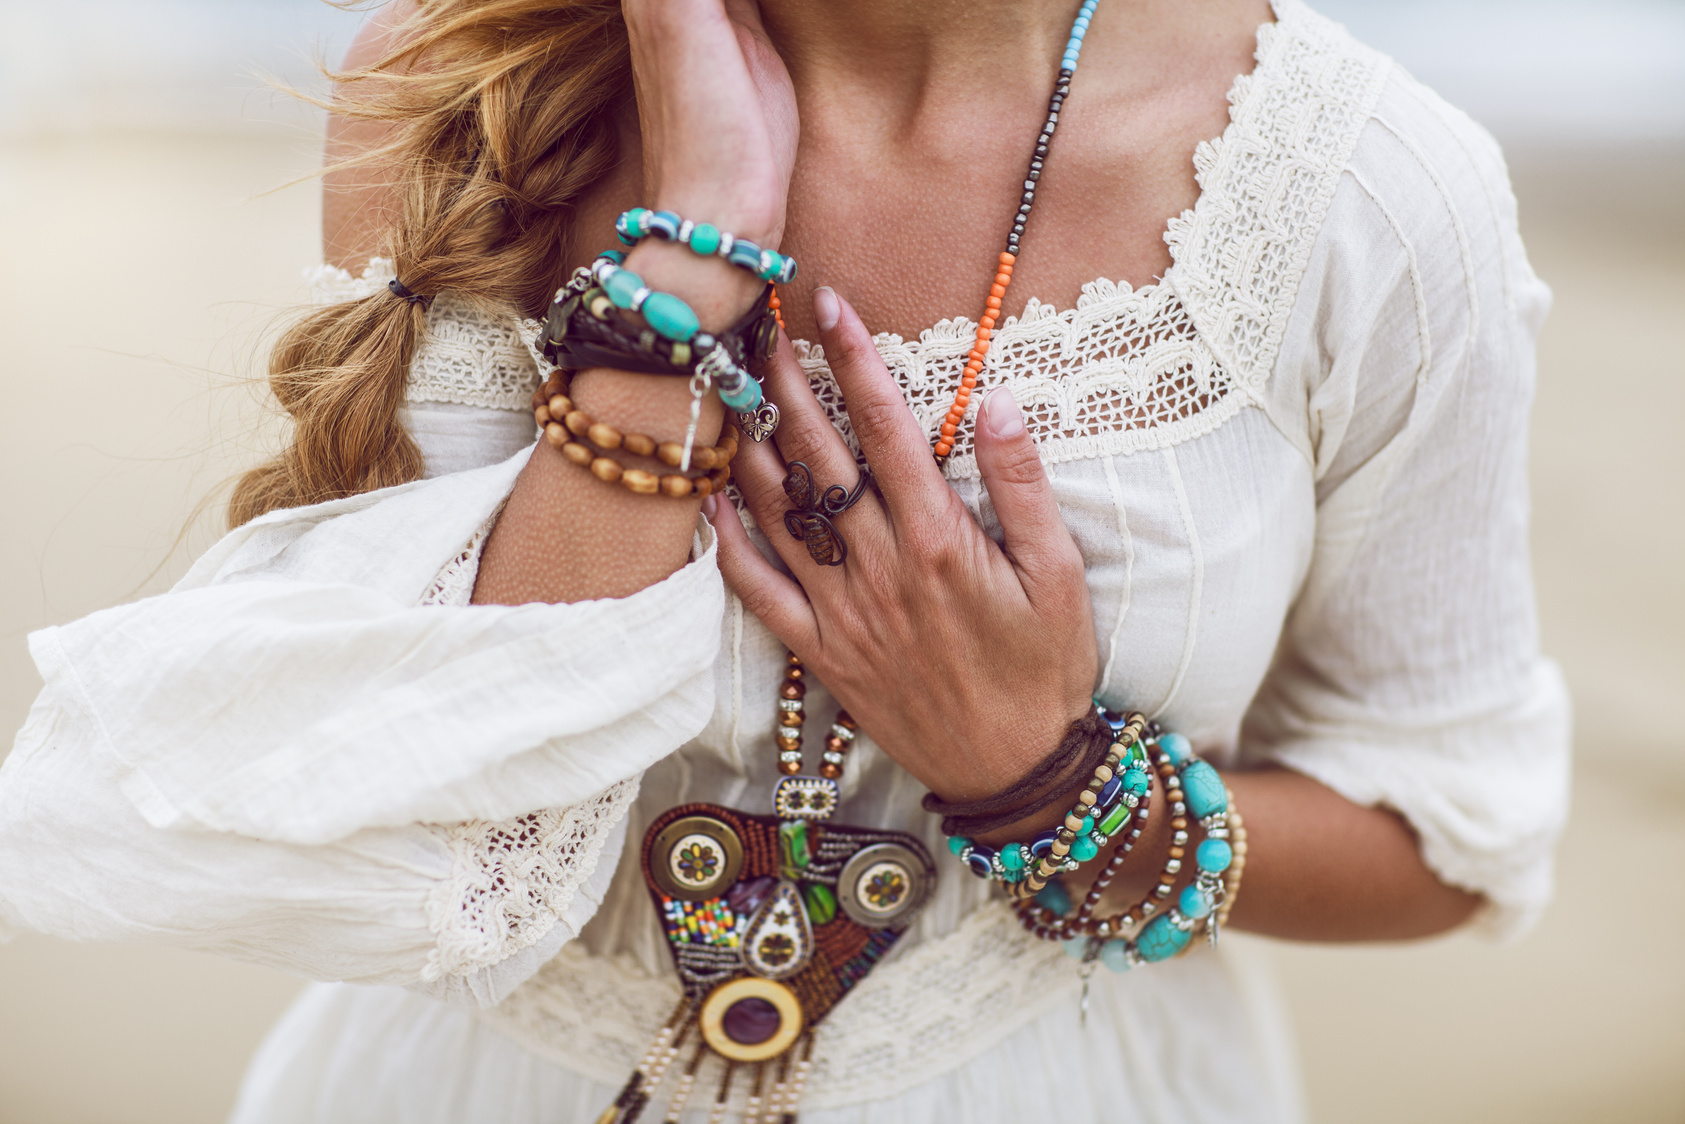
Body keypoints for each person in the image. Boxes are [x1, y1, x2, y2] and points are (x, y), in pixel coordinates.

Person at [0, 0, 1570, 1119]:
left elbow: (1443, 835)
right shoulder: (466, 87)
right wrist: (674, 279)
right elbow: (432, 794)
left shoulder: (1364, 193)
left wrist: (1050, 781)